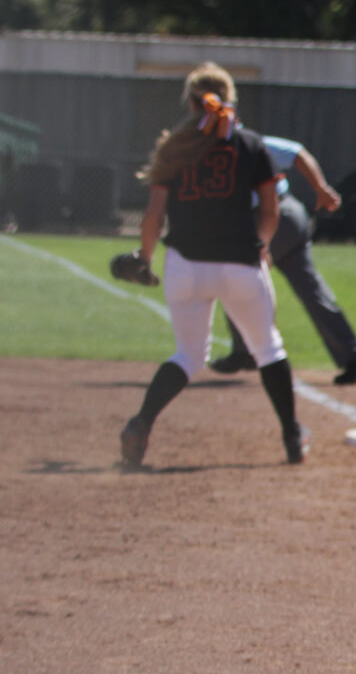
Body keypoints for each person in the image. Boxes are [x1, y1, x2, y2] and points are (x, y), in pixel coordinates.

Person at [117, 63, 308, 469]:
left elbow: (153, 217)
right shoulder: (251, 145)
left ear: (190, 102)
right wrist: (263, 246)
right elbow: (270, 213)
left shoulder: (174, 147)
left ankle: (141, 423)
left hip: (185, 264)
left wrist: (145, 258)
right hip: (240, 263)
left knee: (188, 355)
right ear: (230, 101)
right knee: (268, 348)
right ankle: (292, 437)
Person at [209, 135, 356, 386]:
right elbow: (298, 153)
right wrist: (321, 189)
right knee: (313, 290)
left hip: (269, 219)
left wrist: (321, 189)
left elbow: (298, 153)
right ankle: (355, 354)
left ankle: (245, 352)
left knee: (234, 277)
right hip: (292, 214)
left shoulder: (240, 144)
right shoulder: (251, 142)